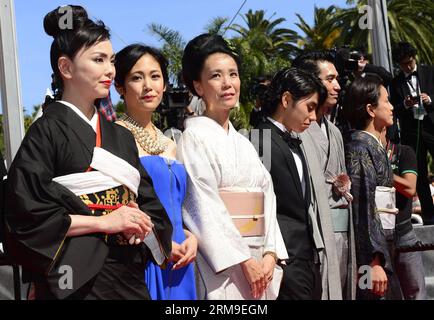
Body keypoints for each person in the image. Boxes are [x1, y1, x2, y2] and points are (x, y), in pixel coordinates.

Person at [3, 5, 172, 300]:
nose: (110, 70)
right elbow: (23, 212)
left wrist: (139, 221)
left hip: (127, 271)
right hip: (73, 274)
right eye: (98, 60)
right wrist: (104, 222)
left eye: (111, 60)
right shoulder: (46, 131)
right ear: (65, 67)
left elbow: (149, 204)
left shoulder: (121, 136)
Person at [177, 33, 288, 300]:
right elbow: (203, 207)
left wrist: (270, 254)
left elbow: (268, 199)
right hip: (222, 266)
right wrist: (243, 260)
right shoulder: (193, 138)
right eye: (216, 76)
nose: (228, 83)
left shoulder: (244, 142)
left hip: (260, 259)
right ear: (198, 86)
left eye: (233, 74)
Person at [114, 44, 197, 300]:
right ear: (120, 87)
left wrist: (192, 237)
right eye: (137, 77)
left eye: (155, 76)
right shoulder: (114, 136)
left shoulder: (170, 142)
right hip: (146, 258)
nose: (148, 85)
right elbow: (119, 208)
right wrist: (159, 245)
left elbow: (179, 206)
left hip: (183, 255)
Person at [256, 67, 334, 300]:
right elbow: (257, 202)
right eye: (309, 108)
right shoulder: (258, 138)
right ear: (287, 99)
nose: (312, 117)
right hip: (280, 258)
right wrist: (273, 255)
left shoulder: (296, 141)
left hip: (307, 258)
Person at [293, 51, 357, 300]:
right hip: (314, 236)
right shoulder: (294, 132)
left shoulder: (335, 132)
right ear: (310, 82)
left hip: (343, 232)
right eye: (330, 79)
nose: (337, 86)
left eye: (337, 79)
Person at [343, 73, 397, 300]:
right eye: (386, 101)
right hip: (369, 253)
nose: (392, 107)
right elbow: (363, 206)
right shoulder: (359, 147)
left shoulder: (373, 145)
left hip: (384, 243)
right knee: (369, 295)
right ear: (370, 109)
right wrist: (374, 261)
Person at [390, 42, 434, 224]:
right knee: (420, 174)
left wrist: (430, 99)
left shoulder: (429, 72)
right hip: (412, 132)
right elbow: (393, 110)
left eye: (410, 62)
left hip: (431, 127)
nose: (408, 66)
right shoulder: (395, 83)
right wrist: (405, 105)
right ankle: (430, 216)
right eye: (404, 64)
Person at [383, 134, 427, 300]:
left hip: (404, 232)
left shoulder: (403, 152)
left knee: (417, 293)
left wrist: (383, 169)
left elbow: (410, 188)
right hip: (374, 237)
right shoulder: (360, 152)